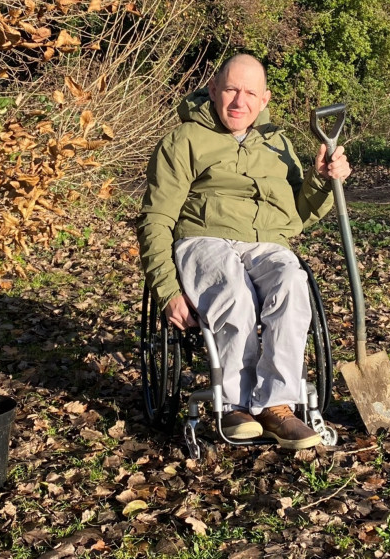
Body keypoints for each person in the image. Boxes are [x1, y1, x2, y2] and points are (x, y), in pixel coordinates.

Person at [137, 53, 351, 450]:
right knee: (232, 291)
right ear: (213, 90)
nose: (240, 101)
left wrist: (322, 181)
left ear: (265, 99)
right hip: (204, 239)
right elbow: (155, 218)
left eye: (250, 92)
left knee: (292, 280)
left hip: (266, 243)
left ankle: (277, 407)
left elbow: (297, 216)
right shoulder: (183, 140)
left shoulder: (278, 144)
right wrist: (167, 290)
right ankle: (234, 403)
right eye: (231, 89)